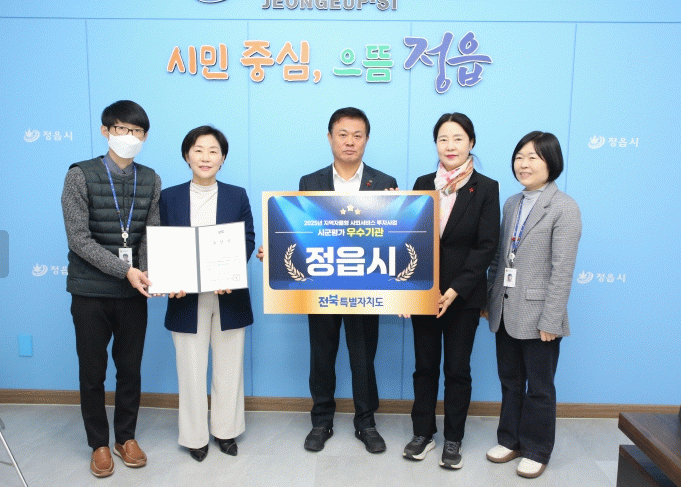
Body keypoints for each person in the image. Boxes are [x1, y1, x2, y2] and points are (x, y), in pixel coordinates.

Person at [257, 107, 397, 453]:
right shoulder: (311, 182)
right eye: (343, 134)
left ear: (366, 139)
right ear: (330, 138)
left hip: (366, 287)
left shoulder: (384, 182)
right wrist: (276, 250)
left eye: (357, 135)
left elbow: (393, 236)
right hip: (320, 286)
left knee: (363, 357)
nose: (350, 141)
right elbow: (301, 232)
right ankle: (321, 421)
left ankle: (366, 422)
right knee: (322, 355)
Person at [61, 100, 161, 478]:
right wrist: (126, 270)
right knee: (93, 370)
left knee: (130, 368)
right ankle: (98, 444)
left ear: (145, 137)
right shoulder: (80, 175)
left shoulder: (150, 178)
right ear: (106, 131)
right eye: (122, 129)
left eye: (137, 131)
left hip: (133, 293)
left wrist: (146, 272)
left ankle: (126, 437)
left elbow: (150, 233)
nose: (130, 137)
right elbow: (79, 240)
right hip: (90, 292)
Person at [403, 113, 500, 469]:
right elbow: (409, 236)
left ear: (471, 142)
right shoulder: (422, 183)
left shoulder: (486, 187)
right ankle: (423, 433)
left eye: (458, 138)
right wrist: (409, 289)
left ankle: (454, 438)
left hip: (464, 296)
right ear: (436, 144)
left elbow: (486, 245)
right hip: (425, 294)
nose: (450, 146)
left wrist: (456, 288)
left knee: (458, 370)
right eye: (443, 139)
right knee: (424, 367)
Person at [484, 131, 581, 478]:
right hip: (505, 309)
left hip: (540, 316)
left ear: (551, 162)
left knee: (539, 388)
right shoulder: (512, 203)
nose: (523, 164)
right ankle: (509, 440)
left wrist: (551, 320)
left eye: (532, 158)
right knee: (510, 381)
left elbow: (562, 269)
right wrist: (489, 298)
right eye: (519, 157)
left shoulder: (564, 207)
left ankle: (537, 449)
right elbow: (499, 256)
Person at [158, 126, 254, 462]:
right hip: (185, 296)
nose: (205, 157)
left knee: (229, 368)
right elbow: (159, 241)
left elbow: (247, 238)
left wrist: (231, 271)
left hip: (228, 294)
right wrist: (169, 277)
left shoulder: (236, 195)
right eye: (198, 150)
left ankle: (226, 431)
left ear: (222, 158)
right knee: (191, 369)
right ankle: (194, 436)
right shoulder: (168, 197)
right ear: (187, 156)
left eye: (213, 151)